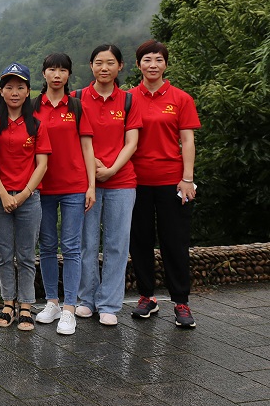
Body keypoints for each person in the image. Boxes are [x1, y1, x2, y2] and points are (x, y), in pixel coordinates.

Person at [129, 39, 201, 328]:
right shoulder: (128, 98)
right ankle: (147, 296)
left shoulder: (181, 98)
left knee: (175, 242)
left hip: (172, 182)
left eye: (158, 59)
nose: (153, 65)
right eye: (147, 60)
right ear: (138, 65)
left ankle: (181, 302)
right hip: (135, 181)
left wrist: (188, 179)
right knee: (140, 241)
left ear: (166, 64)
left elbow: (187, 141)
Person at [76, 44, 142, 326]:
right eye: (99, 62)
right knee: (87, 243)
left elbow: (132, 142)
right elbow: (72, 140)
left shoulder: (128, 100)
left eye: (110, 63)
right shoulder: (77, 98)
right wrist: (93, 168)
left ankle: (109, 304)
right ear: (91, 66)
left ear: (120, 66)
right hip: (85, 182)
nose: (104, 68)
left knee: (117, 244)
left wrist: (112, 169)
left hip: (122, 181)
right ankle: (85, 299)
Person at [32, 53, 96, 336]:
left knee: (71, 247)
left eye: (62, 70)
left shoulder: (77, 107)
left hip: (74, 186)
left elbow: (87, 148)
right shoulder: (33, 106)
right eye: (51, 69)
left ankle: (70, 307)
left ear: (69, 74)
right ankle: (52, 303)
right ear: (44, 73)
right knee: (46, 246)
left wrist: (91, 186)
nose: (56, 75)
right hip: (42, 187)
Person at [0, 63, 50, 332]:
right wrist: (3, 194)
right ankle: (7, 304)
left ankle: (26, 305)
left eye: (20, 87)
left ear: (28, 92)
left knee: (25, 255)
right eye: (9, 87)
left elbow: (42, 164)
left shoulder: (36, 125)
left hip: (29, 198)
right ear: (1, 91)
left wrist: (23, 195)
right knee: (4, 254)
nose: (14, 92)